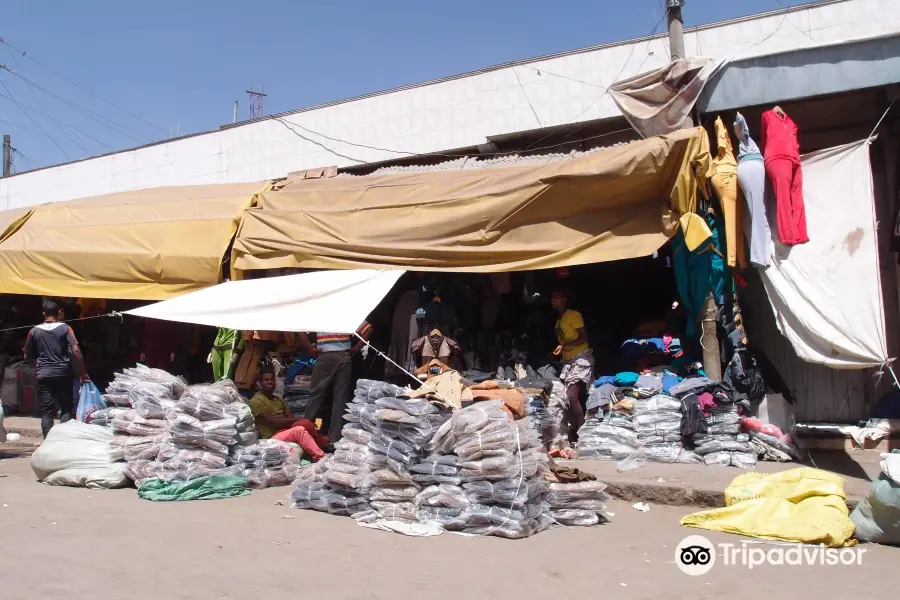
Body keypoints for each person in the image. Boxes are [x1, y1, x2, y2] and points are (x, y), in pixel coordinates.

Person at [298, 320, 372, 444]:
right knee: (340, 399)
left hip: (325, 356)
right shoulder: (348, 312)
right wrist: (355, 349)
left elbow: (300, 329)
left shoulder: (321, 312)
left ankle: (302, 434)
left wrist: (310, 347)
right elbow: (368, 329)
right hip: (343, 357)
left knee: (315, 396)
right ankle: (335, 438)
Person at [24, 300, 89, 438]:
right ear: (58, 312)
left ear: (43, 314)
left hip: (44, 374)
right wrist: (83, 372)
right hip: (63, 373)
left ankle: (48, 442)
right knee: (66, 407)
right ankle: (62, 440)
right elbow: (76, 350)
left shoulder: (34, 331)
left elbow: (27, 354)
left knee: (46, 411)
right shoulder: (65, 328)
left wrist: (36, 365)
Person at [248, 368, 328, 462]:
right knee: (299, 430)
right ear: (260, 383)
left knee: (306, 423)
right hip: (272, 436)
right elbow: (274, 422)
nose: (270, 382)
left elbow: (290, 417)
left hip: (285, 430)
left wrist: (303, 422)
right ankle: (320, 456)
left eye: (272, 380)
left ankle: (322, 444)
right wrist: (299, 419)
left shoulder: (278, 399)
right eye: (266, 380)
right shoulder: (256, 401)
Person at [551, 287, 593, 446]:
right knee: (570, 399)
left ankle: (583, 434)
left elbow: (583, 337)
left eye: (557, 297)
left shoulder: (573, 316)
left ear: (565, 298)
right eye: (552, 298)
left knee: (571, 397)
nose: (553, 301)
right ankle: (576, 431)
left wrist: (564, 345)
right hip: (568, 362)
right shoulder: (559, 320)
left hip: (581, 359)